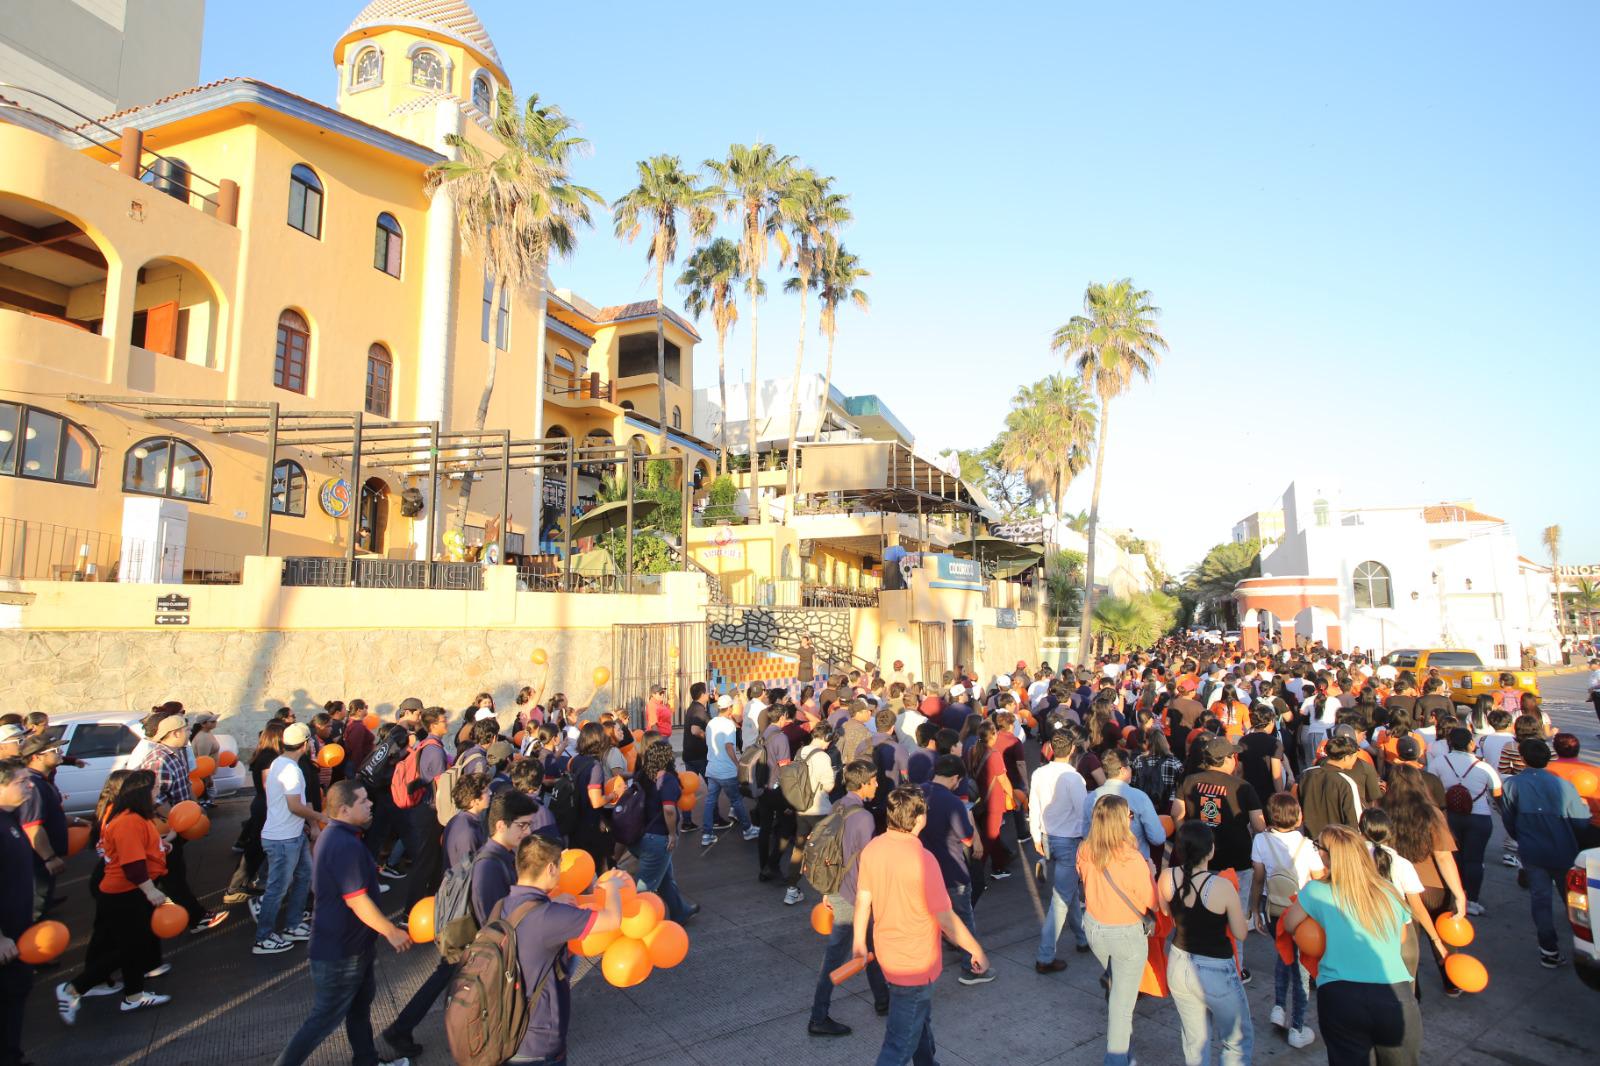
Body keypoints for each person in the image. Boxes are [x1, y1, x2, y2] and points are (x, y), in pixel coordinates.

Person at [383, 788, 537, 1061]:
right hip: (473, 940)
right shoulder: (491, 863)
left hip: (465, 935)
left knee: (444, 981)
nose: (528, 831)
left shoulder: (496, 852)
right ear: (502, 825)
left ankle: (402, 1028)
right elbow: (492, 916)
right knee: (458, 988)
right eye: (522, 825)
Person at [273, 780, 412, 1066]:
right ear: (345, 809)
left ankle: (367, 1061)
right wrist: (390, 931)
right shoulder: (343, 843)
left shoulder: (340, 837)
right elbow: (356, 899)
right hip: (340, 954)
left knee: (359, 1010)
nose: (371, 803)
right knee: (322, 1020)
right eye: (363, 801)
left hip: (355, 948)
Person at [852, 784, 988, 1066]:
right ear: (919, 819)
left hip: (889, 954)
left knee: (918, 1017)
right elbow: (947, 919)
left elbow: (864, 901)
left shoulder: (873, 849)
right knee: (899, 1044)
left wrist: (859, 943)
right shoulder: (924, 860)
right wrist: (976, 949)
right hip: (915, 961)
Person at [1283, 825, 1421, 1065]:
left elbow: (1290, 925)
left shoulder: (1316, 891)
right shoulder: (1388, 891)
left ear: (1327, 855)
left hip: (1340, 996)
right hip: (1394, 995)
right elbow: (1400, 938)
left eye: (1318, 847)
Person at [55, 769, 174, 1023]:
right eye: (153, 789)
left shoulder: (136, 818)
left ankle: (133, 995)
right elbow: (132, 865)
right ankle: (74, 988)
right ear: (142, 792)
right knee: (130, 948)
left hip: (126, 893)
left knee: (133, 946)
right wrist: (150, 891)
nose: (157, 793)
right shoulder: (129, 821)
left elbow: (136, 848)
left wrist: (159, 847)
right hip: (125, 894)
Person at [500, 833, 624, 1065]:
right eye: (559, 865)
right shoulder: (549, 917)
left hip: (506, 1027)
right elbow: (612, 920)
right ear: (549, 869)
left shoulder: (503, 903)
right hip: (538, 1039)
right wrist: (613, 887)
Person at [1159, 821, 1253, 1066]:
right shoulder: (1222, 886)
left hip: (1179, 963)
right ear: (1210, 851)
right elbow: (1241, 933)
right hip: (1216, 969)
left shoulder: (1167, 877)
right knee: (1237, 1041)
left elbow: (1166, 913)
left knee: (1195, 1043)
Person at [1171, 736, 1263, 981]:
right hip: (1237, 862)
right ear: (1226, 760)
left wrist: (1186, 839)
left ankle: (1199, 963)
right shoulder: (1242, 787)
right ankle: (1236, 967)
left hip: (1200, 860)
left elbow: (1176, 813)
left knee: (1198, 915)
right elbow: (1259, 824)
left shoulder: (1189, 781)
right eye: (1233, 755)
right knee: (1235, 918)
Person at [1078, 794, 1158, 1066]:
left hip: (1094, 927)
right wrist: (1152, 871)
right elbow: (1151, 902)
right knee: (1122, 1007)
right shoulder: (1132, 859)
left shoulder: (1085, 850)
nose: (1131, 820)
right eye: (1130, 816)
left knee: (1118, 992)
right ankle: (1117, 1059)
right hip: (1126, 934)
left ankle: (1125, 1053)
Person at [809, 761, 888, 1036]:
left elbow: (829, 852)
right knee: (834, 959)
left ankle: (883, 999)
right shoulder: (864, 818)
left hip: (839, 890)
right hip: (855, 896)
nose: (877, 784)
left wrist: (826, 891)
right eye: (874, 780)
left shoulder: (838, 805)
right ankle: (818, 1016)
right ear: (863, 783)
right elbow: (868, 863)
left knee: (870, 947)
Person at [1500, 738, 1591, 969]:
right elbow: (1581, 823)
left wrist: (1523, 837)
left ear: (1523, 759)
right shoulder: (1563, 785)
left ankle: (1549, 950)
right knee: (1575, 901)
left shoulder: (1513, 785)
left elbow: (1508, 820)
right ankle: (1587, 947)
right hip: (1563, 851)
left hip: (1532, 851)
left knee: (1540, 901)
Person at [1380, 764, 1467, 995]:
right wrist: (1459, 893)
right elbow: (1443, 857)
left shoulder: (1380, 809)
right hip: (1434, 887)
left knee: (1408, 941)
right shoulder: (1431, 813)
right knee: (1442, 936)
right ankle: (1452, 981)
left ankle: (1412, 990)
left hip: (1399, 888)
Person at [1247, 793, 1323, 1048]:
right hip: (1301, 914)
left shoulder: (1260, 840)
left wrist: (1255, 909)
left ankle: (1279, 1007)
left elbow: (1258, 878)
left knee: (1282, 955)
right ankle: (1298, 1026)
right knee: (1301, 970)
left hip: (1273, 910)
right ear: (1299, 817)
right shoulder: (1308, 846)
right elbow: (1319, 881)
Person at [138, 713, 225, 933]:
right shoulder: (159, 759)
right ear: (175, 733)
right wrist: (175, 822)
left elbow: (184, 787)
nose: (189, 732)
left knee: (169, 874)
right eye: (185, 730)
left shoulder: (175, 754)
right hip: (166, 830)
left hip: (177, 826)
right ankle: (195, 918)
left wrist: (195, 812)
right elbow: (155, 799)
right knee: (172, 874)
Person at [254, 722, 326, 956]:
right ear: (305, 745)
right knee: (278, 888)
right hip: (283, 839)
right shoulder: (292, 770)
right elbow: (295, 806)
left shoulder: (279, 762)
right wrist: (321, 818)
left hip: (291, 835)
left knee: (304, 876)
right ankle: (263, 938)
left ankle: (292, 925)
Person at [1030, 731, 1089, 970]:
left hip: (1047, 838)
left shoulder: (1039, 773)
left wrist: (1035, 835)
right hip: (1068, 840)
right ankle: (1045, 957)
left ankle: (1082, 937)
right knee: (1062, 899)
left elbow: (1033, 805)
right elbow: (1084, 813)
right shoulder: (1074, 778)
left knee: (1068, 893)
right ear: (1073, 749)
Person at [918, 755, 980, 974]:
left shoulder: (916, 793)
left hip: (922, 870)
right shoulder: (953, 802)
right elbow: (967, 839)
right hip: (952, 869)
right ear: (955, 777)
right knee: (964, 918)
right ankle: (972, 965)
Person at [17, 733, 84, 920]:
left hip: (42, 860)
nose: (60, 752)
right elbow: (33, 827)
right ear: (36, 757)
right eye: (54, 750)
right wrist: (49, 858)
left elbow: (52, 816)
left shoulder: (43, 782)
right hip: (37, 862)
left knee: (41, 902)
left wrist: (78, 821)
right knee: (35, 909)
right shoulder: (33, 786)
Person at [631, 741, 696, 924]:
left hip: (639, 835)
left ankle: (680, 911)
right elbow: (669, 810)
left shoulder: (642, 776)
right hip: (657, 838)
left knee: (666, 877)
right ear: (668, 758)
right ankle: (632, 922)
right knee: (644, 889)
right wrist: (672, 834)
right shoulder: (667, 779)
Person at [0, 760, 37, 1065]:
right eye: (21, 781)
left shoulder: (9, 818)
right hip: (4, 942)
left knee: (16, 994)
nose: (30, 785)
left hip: (18, 934)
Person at [401, 708, 450, 914]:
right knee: (425, 862)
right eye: (442, 720)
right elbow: (439, 786)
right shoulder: (435, 750)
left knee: (430, 860)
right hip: (430, 811)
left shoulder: (426, 744)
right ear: (433, 726)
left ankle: (427, 905)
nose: (446, 722)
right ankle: (410, 911)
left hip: (424, 809)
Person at [1083, 749, 1168, 859]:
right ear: (1123, 770)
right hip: (1134, 862)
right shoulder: (1140, 797)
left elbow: (1085, 834)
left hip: (1101, 862)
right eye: (1129, 766)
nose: (1131, 770)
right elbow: (1157, 838)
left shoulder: (1091, 798)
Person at [700, 694, 758, 847]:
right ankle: (747, 829)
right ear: (730, 708)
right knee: (736, 800)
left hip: (712, 768)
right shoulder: (729, 725)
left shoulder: (711, 723)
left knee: (710, 801)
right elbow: (728, 746)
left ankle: (707, 834)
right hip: (726, 771)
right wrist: (737, 764)